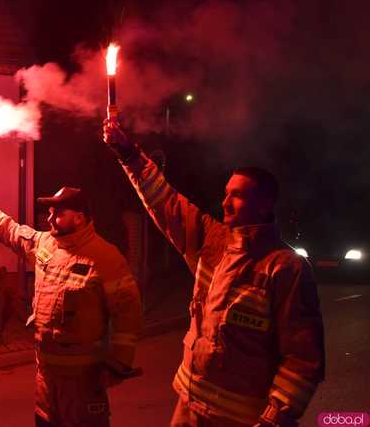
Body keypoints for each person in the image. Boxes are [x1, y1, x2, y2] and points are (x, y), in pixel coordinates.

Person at [102, 120, 325, 427]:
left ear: (265, 205)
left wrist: (275, 418)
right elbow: (166, 202)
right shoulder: (213, 240)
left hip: (239, 420)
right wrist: (128, 154)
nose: (225, 203)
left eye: (237, 196)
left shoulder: (286, 268)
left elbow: (302, 359)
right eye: (225, 193)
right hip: (188, 408)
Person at [0, 184, 142, 427]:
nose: (51, 218)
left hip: (83, 387)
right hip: (46, 387)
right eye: (51, 212)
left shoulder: (106, 258)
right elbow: (8, 229)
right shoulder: (44, 245)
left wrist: (118, 365)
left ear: (79, 218)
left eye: (58, 213)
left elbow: (128, 311)